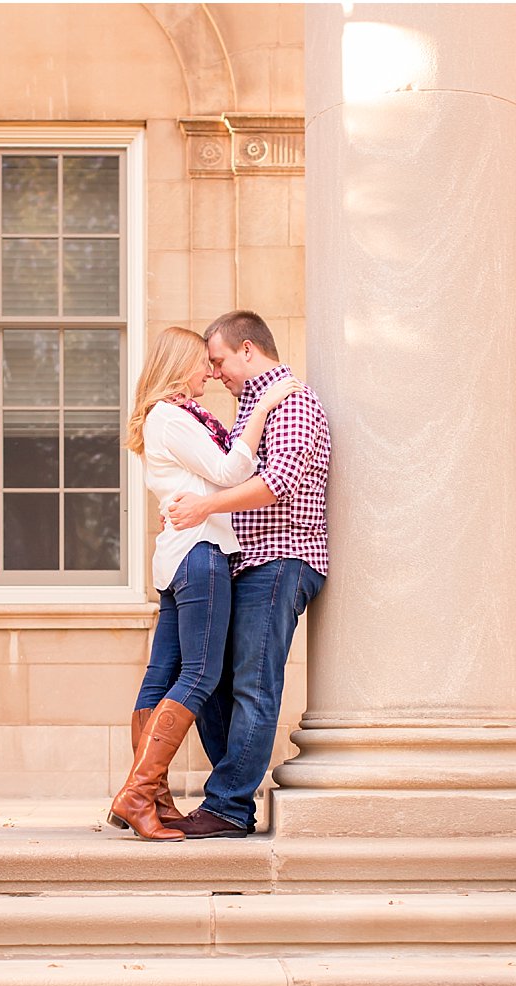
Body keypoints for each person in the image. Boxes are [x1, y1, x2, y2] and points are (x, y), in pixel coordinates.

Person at [108, 326, 302, 841]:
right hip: (201, 556)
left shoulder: (167, 418)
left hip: (177, 559)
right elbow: (229, 470)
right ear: (179, 367)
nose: (210, 374)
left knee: (163, 674)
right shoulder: (172, 416)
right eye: (204, 364)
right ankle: (137, 792)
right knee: (200, 675)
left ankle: (151, 797)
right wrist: (263, 411)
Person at [162, 310, 330, 839]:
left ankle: (230, 807)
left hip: (281, 561)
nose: (214, 374)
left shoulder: (294, 401)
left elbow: (276, 482)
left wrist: (204, 510)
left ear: (249, 350)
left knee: (253, 687)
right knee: (211, 683)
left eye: (219, 361)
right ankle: (231, 792)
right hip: (246, 562)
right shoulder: (254, 408)